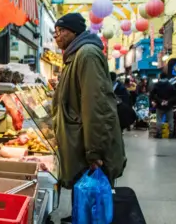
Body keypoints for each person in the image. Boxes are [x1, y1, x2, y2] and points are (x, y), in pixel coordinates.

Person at [51, 13, 126, 223]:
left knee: (93, 198)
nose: (56, 37)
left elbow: (96, 106)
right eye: (55, 32)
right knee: (84, 193)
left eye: (60, 31)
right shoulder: (74, 56)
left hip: (87, 144)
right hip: (80, 141)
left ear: (73, 32)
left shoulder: (87, 55)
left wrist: (95, 151)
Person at [150, 72, 176, 137]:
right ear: (166, 77)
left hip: (159, 105)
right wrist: (168, 101)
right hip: (168, 106)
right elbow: (175, 96)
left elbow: (152, 94)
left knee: (159, 119)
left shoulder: (156, 85)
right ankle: (171, 133)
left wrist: (158, 100)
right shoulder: (170, 85)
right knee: (170, 120)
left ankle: (159, 134)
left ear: (160, 77)